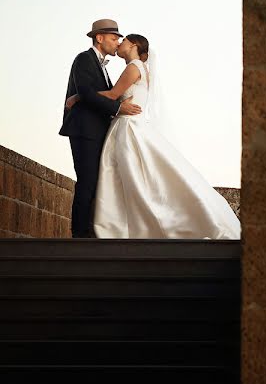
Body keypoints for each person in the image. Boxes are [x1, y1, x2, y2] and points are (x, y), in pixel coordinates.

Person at [65, 34, 240, 239]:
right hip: (130, 123)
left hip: (127, 126)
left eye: (124, 41)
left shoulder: (133, 67)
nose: (120, 44)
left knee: (127, 177)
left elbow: (112, 95)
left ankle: (121, 226)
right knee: (134, 178)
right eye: (117, 40)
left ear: (134, 46)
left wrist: (79, 96)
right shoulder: (141, 68)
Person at [59, 19, 142, 237]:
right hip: (84, 130)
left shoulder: (102, 66)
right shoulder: (84, 59)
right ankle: (79, 235)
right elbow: (87, 93)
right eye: (114, 38)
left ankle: (89, 231)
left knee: (95, 180)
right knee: (87, 180)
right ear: (100, 37)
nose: (117, 43)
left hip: (96, 130)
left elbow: (91, 95)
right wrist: (118, 107)